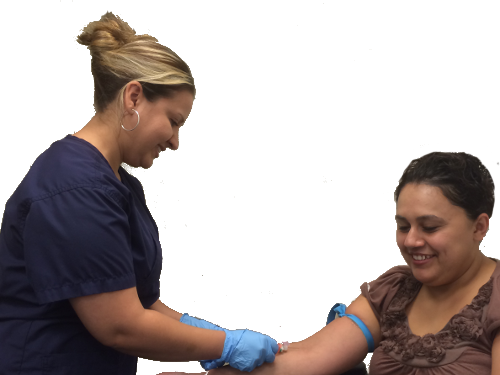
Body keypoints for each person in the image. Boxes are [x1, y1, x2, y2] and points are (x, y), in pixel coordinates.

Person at [0, 14, 277, 375]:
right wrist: (226, 344)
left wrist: (211, 333)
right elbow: (121, 324)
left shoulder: (119, 184)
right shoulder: (75, 186)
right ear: (133, 97)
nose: (176, 142)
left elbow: (142, 303)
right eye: (174, 121)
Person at [159, 150, 500, 375]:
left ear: (479, 226)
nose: (411, 240)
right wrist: (224, 348)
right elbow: (306, 359)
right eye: (402, 226)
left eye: (430, 227)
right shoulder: (395, 291)